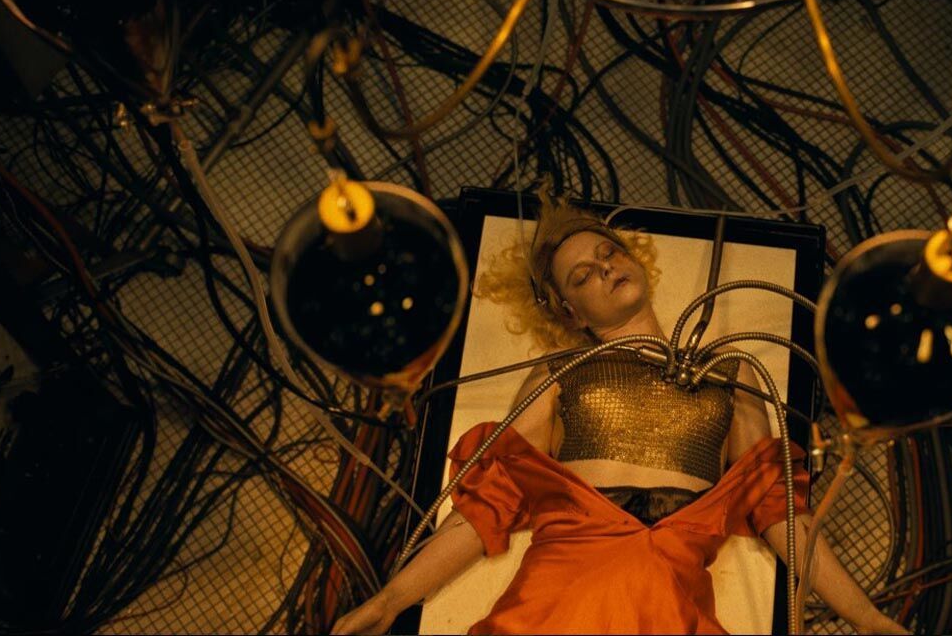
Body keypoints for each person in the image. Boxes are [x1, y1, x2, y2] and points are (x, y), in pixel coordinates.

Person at [332, 190, 909, 635]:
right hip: (559, 600)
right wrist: (390, 602)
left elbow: (784, 514)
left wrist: (865, 617)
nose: (605, 268)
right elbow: (483, 508)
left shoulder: (731, 373)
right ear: (570, 311)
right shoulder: (560, 372)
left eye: (609, 253)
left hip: (671, 604)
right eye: (583, 275)